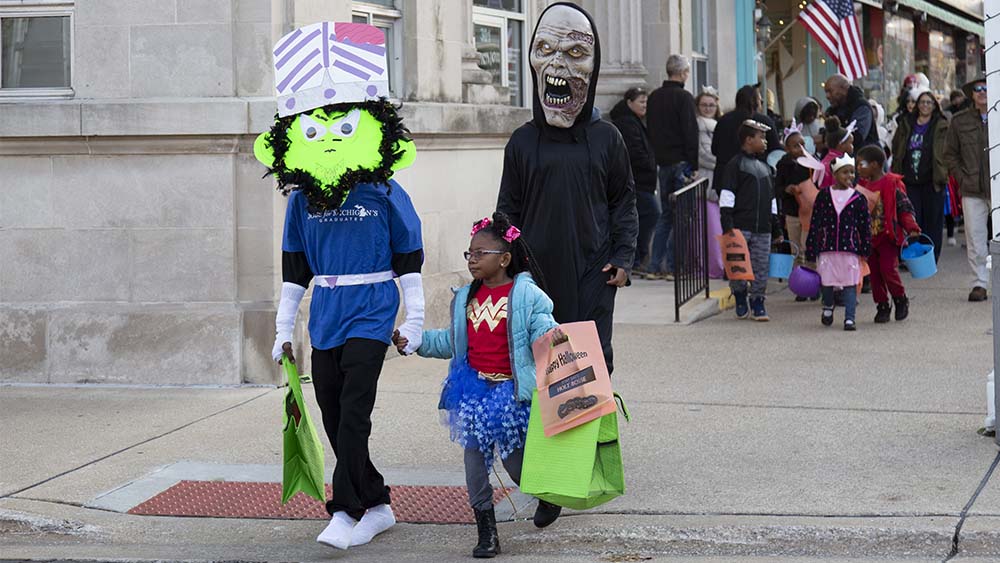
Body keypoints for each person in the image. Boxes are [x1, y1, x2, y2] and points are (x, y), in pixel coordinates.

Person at [255, 20, 425, 551]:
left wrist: (414, 320)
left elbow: (409, 258)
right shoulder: (301, 200)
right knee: (331, 409)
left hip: (373, 307)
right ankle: (376, 502)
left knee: (355, 411)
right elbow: (294, 269)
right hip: (325, 310)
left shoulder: (382, 190)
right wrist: (284, 328)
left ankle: (347, 509)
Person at [395, 212, 562, 558]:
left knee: (517, 465)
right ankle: (487, 532)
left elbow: (544, 330)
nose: (472, 260)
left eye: (480, 253)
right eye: (469, 253)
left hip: (511, 395)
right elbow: (451, 343)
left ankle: (545, 496)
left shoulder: (526, 295)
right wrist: (416, 342)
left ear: (504, 258)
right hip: (472, 392)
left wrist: (549, 336)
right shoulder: (465, 298)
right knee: (475, 465)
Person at [497, 2, 638, 374]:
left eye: (576, 53)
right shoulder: (522, 142)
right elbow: (506, 210)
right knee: (538, 357)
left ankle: (596, 433)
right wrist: (505, 265)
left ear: (593, 69)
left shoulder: (608, 138)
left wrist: (623, 258)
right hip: (535, 270)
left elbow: (623, 201)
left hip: (594, 268)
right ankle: (542, 433)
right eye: (545, 50)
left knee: (591, 356)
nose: (558, 64)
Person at [720, 120, 783, 321]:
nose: (765, 141)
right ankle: (739, 294)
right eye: (761, 137)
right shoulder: (735, 165)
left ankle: (758, 301)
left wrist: (776, 228)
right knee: (737, 266)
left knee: (761, 266)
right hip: (740, 227)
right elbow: (727, 196)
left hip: (763, 228)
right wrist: (727, 225)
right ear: (748, 140)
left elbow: (772, 201)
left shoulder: (766, 168)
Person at [646, 54, 699, 280]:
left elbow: (651, 130)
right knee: (681, 217)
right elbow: (690, 132)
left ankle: (655, 265)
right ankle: (674, 267)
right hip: (680, 163)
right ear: (683, 73)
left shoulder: (654, 97)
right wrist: (693, 165)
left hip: (662, 162)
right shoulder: (684, 97)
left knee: (666, 216)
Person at [806, 155, 872, 331]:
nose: (850, 176)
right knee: (827, 282)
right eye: (845, 172)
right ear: (835, 174)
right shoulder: (824, 196)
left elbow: (865, 225)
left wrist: (865, 248)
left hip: (849, 249)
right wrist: (811, 249)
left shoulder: (858, 198)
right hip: (827, 248)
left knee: (850, 283)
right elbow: (816, 223)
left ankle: (849, 318)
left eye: (852, 172)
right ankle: (828, 307)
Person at [856, 145, 921, 322]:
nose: (858, 168)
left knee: (888, 270)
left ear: (875, 164)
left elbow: (903, 208)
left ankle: (900, 298)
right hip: (869, 239)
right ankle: (882, 305)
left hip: (887, 237)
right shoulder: (861, 186)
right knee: (875, 274)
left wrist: (911, 226)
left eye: (862, 164)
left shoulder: (891, 183)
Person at [945, 76, 991, 302]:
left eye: (986, 87)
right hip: (972, 188)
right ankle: (979, 283)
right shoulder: (959, 121)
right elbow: (950, 154)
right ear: (972, 94)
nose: (982, 92)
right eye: (977, 89)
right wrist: (962, 178)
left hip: (998, 187)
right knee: (975, 237)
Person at [891, 88, 949, 262]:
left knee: (933, 220)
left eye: (928, 102)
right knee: (912, 219)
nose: (925, 105)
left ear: (934, 106)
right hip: (909, 180)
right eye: (922, 102)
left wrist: (944, 170)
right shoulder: (906, 122)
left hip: (933, 179)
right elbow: (896, 146)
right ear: (917, 105)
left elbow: (948, 150)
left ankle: (930, 257)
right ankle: (913, 257)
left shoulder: (941, 124)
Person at [611, 87, 658, 275]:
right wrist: (648, 165)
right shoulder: (627, 123)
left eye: (646, 102)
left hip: (643, 180)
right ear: (629, 103)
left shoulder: (635, 122)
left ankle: (639, 257)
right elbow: (635, 152)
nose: (644, 105)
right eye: (641, 102)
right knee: (652, 213)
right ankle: (637, 257)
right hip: (637, 180)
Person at [712, 85, 781, 192]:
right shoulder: (764, 121)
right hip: (756, 177)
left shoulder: (723, 120)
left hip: (724, 177)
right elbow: (775, 150)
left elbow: (714, 149)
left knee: (727, 206)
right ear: (756, 102)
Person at [775, 123, 812, 281]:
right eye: (796, 146)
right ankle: (800, 282)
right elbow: (777, 188)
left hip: (809, 213)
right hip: (792, 212)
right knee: (795, 249)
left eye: (803, 144)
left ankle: (812, 279)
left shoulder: (811, 163)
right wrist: (787, 189)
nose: (801, 148)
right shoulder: (783, 165)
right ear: (787, 149)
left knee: (808, 247)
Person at [696, 86, 725, 278]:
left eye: (711, 105)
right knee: (710, 228)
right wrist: (723, 163)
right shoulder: (699, 124)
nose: (708, 108)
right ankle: (713, 266)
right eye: (704, 105)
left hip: (717, 179)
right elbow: (703, 155)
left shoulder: (717, 124)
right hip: (707, 178)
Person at [824, 74, 879, 149]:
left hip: (865, 156)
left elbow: (856, 138)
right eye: (826, 92)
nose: (827, 96)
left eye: (830, 91)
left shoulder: (861, 107)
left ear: (844, 88)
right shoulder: (832, 111)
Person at [817, 117, 855, 189]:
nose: (852, 146)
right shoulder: (841, 163)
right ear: (841, 144)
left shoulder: (825, 160)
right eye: (851, 143)